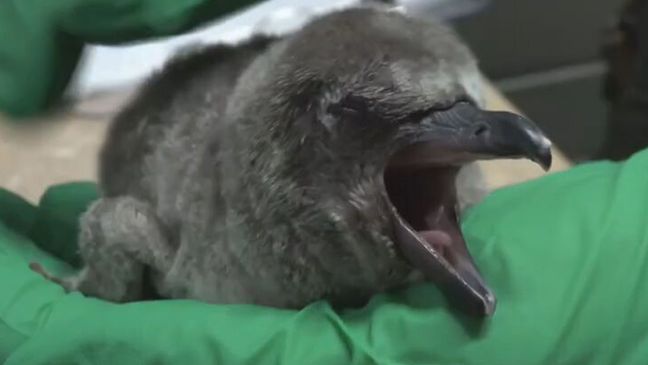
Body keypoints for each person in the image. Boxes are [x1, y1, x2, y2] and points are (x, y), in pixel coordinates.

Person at [0, 1, 646, 364]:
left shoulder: (456, 192)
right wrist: (99, 290)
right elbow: (120, 224)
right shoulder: (221, 247)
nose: (497, 135)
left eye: (463, 107)